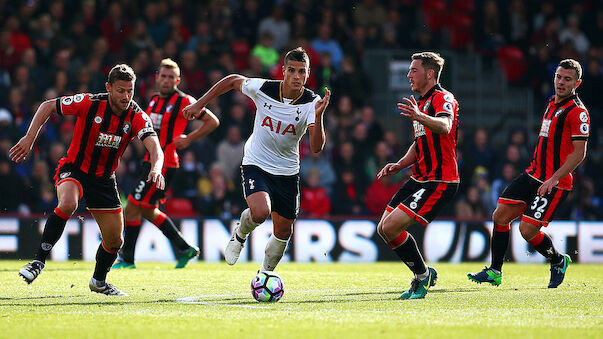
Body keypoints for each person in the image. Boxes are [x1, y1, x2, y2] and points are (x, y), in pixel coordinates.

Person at [11, 64, 165, 296]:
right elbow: (47, 106)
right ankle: (38, 262)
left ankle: (99, 282)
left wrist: (157, 168)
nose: (126, 97)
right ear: (109, 88)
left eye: (130, 91)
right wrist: (30, 138)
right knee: (68, 204)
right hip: (75, 169)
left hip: (104, 179)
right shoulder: (90, 102)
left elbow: (155, 147)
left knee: (115, 241)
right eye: (121, 90)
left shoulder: (136, 115)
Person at [183, 47, 331, 273]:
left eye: (302, 72)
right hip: (257, 162)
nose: (296, 76)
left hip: (288, 170)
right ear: (283, 71)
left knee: (284, 232)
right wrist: (199, 103)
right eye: (292, 70)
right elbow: (233, 80)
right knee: (261, 212)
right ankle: (240, 234)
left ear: (308, 74)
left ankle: (264, 273)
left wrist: (319, 116)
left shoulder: (313, 103)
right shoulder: (265, 88)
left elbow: (316, 147)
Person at [468, 59, 590, 288]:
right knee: (500, 216)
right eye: (559, 77)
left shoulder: (578, 113)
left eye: (567, 79)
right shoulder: (551, 104)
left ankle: (557, 260)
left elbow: (579, 153)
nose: (561, 82)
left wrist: (554, 178)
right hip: (532, 174)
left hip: (556, 181)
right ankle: (495, 271)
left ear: (577, 83)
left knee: (527, 229)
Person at [112, 59, 219, 270]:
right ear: (157, 78)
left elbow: (213, 121)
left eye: (171, 77)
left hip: (165, 164)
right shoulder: (152, 101)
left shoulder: (184, 101)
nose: (167, 80)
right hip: (148, 162)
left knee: (132, 208)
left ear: (177, 80)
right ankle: (184, 248)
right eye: (164, 76)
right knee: (147, 210)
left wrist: (189, 138)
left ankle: (127, 259)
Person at [376, 52, 459, 300]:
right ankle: (424, 273)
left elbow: (445, 126)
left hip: (440, 180)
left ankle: (422, 277)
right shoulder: (421, 103)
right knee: (384, 229)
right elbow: (419, 141)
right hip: (419, 178)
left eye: (413, 70)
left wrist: (419, 116)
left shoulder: (443, 98)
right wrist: (400, 164)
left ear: (429, 74)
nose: (408, 74)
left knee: (391, 226)